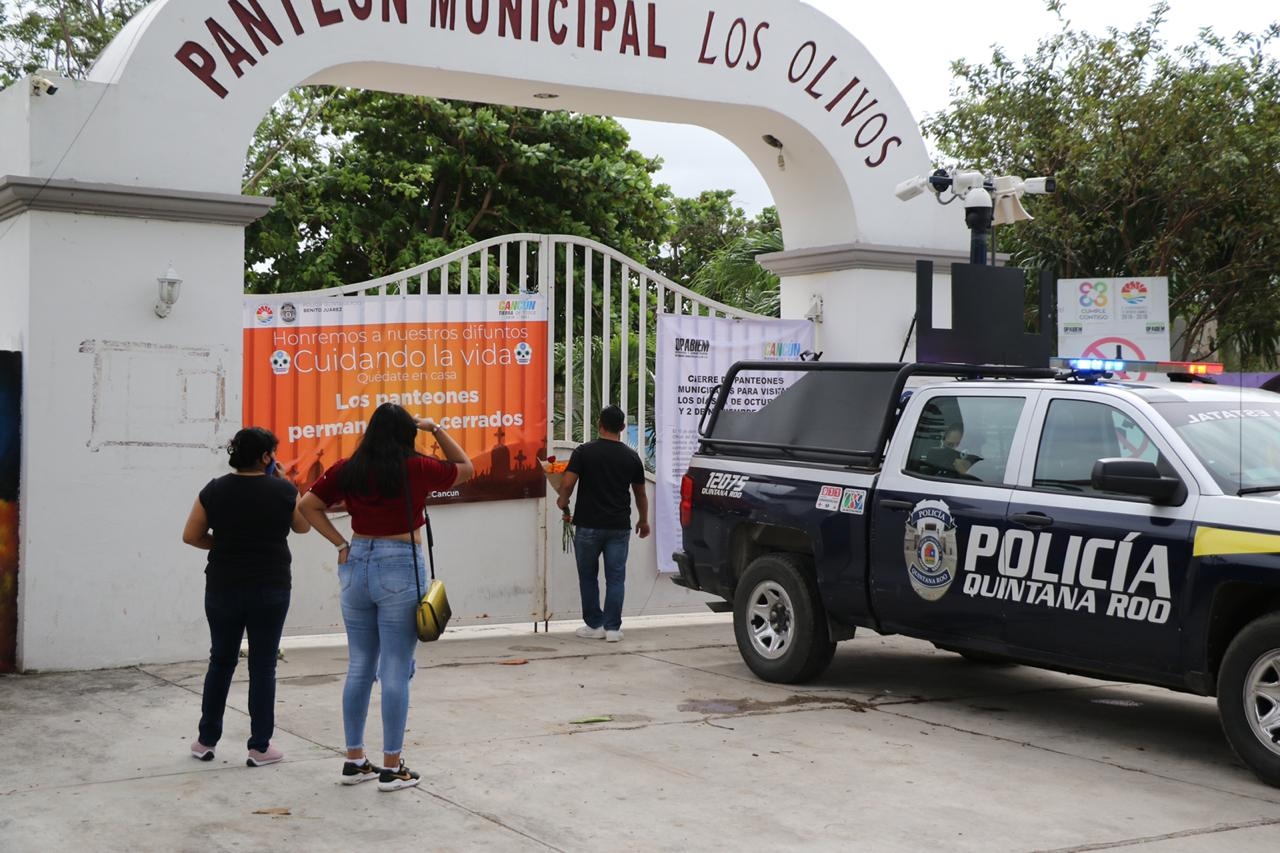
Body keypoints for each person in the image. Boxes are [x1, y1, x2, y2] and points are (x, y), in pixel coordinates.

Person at [298, 403, 474, 792]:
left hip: (357, 562)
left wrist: (340, 543)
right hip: (399, 564)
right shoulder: (418, 467)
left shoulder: (350, 467)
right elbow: (466, 469)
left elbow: (307, 505)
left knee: (360, 664)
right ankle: (392, 768)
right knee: (395, 666)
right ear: (407, 435)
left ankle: (355, 760)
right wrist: (436, 429)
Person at [182, 427, 311, 767]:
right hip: (270, 587)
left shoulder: (214, 489)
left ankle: (206, 740)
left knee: (220, 661)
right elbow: (302, 527)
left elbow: (191, 535)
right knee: (263, 665)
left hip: (223, 585)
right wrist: (288, 486)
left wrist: (224, 544)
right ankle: (259, 746)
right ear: (267, 456)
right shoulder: (283, 490)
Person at [556, 405, 650, 643]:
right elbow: (640, 494)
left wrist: (563, 500)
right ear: (622, 428)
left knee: (588, 577)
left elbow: (567, 483)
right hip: (619, 527)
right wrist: (643, 520)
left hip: (588, 525)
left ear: (599, 424)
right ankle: (613, 629)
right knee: (616, 578)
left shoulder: (584, 452)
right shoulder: (632, 457)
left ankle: (595, 625)